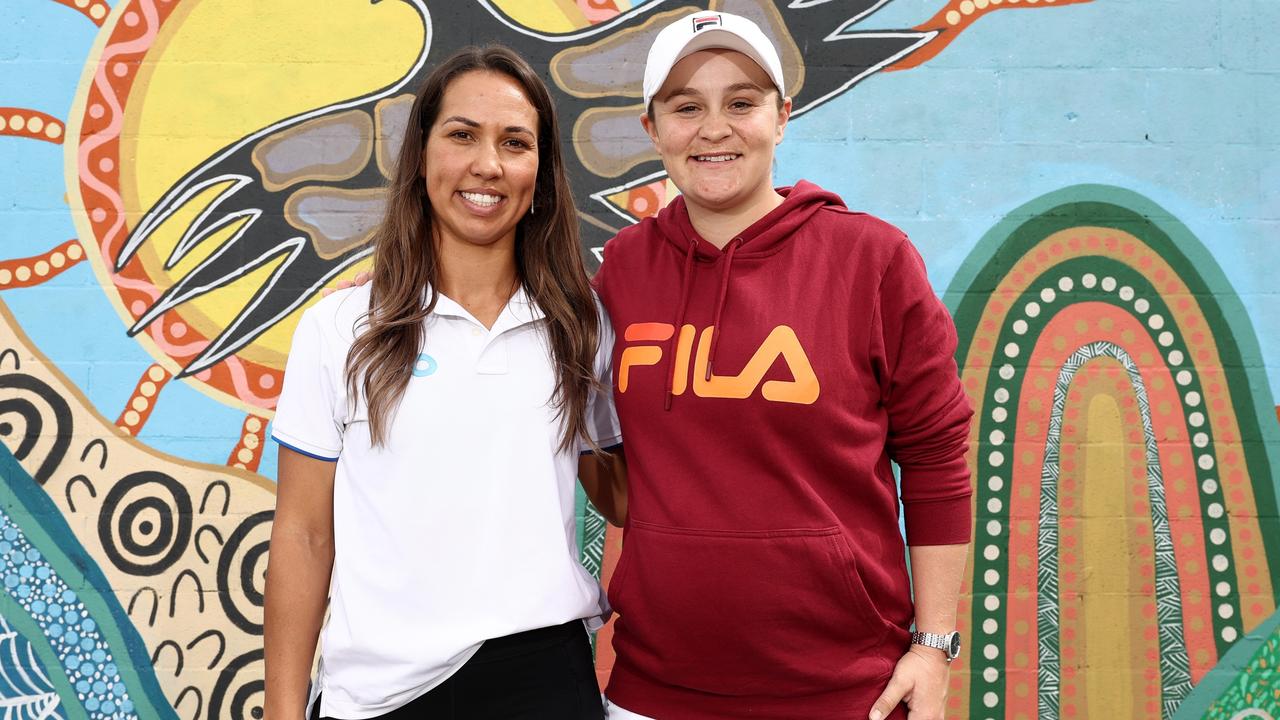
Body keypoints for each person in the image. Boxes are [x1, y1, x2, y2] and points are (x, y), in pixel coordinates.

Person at [590, 13, 974, 720]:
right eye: (686, 107)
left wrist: (934, 646)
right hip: (654, 693)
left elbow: (935, 456)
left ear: (782, 117)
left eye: (741, 102)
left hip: (845, 692)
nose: (714, 129)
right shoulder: (621, 271)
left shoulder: (872, 261)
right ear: (652, 130)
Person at [262, 45, 624, 720]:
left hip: (544, 678)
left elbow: (625, 493)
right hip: (377, 698)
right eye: (462, 135)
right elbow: (304, 537)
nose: (487, 164)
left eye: (515, 143)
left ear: (540, 175)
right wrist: (282, 712)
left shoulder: (583, 326)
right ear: (422, 154)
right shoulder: (340, 328)